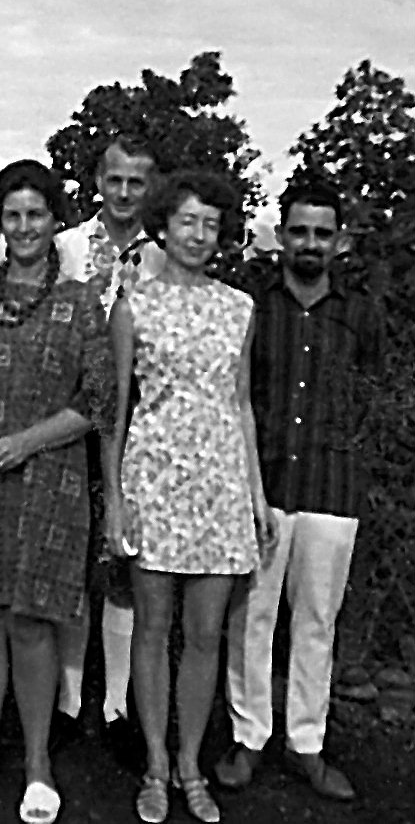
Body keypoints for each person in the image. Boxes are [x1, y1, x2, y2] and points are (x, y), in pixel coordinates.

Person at [0, 160, 117, 824]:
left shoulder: (80, 302)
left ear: (53, 223)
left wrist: (25, 442)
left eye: (36, 214)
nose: (25, 226)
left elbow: (96, 401)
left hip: (46, 477)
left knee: (31, 621)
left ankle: (37, 765)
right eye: (13, 215)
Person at [103, 170, 277, 824]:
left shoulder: (239, 307)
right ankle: (152, 765)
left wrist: (254, 495)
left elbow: (240, 404)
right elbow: (117, 411)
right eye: (187, 222)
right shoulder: (133, 304)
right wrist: (116, 501)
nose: (198, 235)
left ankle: (189, 766)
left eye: (209, 224)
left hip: (220, 486)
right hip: (152, 481)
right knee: (151, 628)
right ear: (163, 226)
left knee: (204, 635)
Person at [215, 181, 382, 801]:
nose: (309, 243)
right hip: (265, 484)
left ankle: (306, 742)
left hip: (334, 488)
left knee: (316, 622)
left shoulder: (361, 314)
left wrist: (351, 448)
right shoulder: (254, 308)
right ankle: (248, 735)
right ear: (281, 235)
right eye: (299, 231)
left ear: (338, 241)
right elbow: (238, 396)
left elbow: (372, 393)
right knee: (251, 617)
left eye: (322, 233)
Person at [51, 131, 164, 754]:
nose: (124, 193)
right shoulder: (67, 248)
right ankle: (69, 703)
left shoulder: (164, 260)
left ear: (150, 188)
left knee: (123, 565)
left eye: (137, 182)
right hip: (71, 424)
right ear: (98, 179)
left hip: (139, 430)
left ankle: (117, 704)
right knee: (72, 563)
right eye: (115, 179)